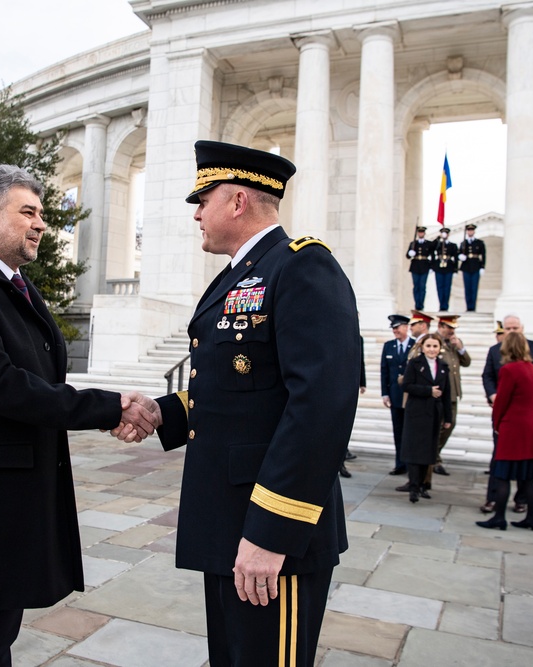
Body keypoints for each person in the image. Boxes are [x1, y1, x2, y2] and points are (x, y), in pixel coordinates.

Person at [121, 141, 360, 666]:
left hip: (272, 534)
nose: (196, 213)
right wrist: (164, 412)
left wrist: (272, 534)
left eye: (202, 200)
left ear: (237, 202)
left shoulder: (301, 267)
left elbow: (320, 408)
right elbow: (234, 389)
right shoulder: (239, 275)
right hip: (230, 524)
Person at [0, 165, 156, 667]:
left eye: (42, 214)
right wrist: (109, 406)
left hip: (13, 500)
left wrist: (104, 406)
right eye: (28, 212)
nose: (41, 224)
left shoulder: (15, 285)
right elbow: (1, 387)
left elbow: (44, 383)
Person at [480, 314, 533, 513]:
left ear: (522, 328)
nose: (511, 332)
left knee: (522, 462)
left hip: (520, 417)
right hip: (511, 416)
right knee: (500, 458)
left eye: (515, 328)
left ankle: (520, 500)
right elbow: (487, 375)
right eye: (508, 329)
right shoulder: (495, 351)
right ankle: (494, 498)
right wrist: (493, 395)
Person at [399, 333, 452, 503]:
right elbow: (406, 385)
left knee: (428, 451)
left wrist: (448, 417)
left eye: (435, 346)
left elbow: (447, 394)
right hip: (417, 413)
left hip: (434, 414)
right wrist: (428, 391)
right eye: (428, 346)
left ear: (439, 348)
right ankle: (413, 487)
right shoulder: (415, 364)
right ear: (422, 347)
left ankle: (423, 485)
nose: (431, 349)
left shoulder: (443, 366)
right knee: (415, 450)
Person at [425, 314, 470, 481]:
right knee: (437, 427)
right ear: (442, 327)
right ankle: (434, 459)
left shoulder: (454, 344)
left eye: (453, 329)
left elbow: (466, 362)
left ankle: (434, 455)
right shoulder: (434, 342)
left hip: (453, 393)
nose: (452, 332)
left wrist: (459, 348)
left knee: (449, 425)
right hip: (440, 394)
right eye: (450, 328)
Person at [380, 314, 412, 476]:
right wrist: (385, 394)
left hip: (411, 397)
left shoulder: (415, 345)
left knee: (410, 432)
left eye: (397, 327)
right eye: (393, 328)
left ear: (406, 327)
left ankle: (410, 464)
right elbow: (384, 371)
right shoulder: (388, 346)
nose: (395, 331)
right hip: (394, 396)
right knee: (398, 431)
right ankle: (400, 463)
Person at [342, 327, 366, 478]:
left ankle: (341, 463)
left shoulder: (357, 337)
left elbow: (359, 361)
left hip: (345, 385)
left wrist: (361, 382)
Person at [457, 223, 486, 312]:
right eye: (469, 230)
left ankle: (473, 307)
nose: (470, 231)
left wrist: (482, 267)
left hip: (476, 266)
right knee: (467, 288)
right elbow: (458, 253)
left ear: (474, 231)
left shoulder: (479, 243)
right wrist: (460, 256)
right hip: (466, 267)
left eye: (471, 230)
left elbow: (483, 255)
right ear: (467, 232)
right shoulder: (463, 243)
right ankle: (468, 306)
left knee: (474, 288)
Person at [406, 226, 435, 311]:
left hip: (425, 266)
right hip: (415, 266)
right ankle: (416, 303)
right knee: (416, 286)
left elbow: (432, 255)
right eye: (419, 232)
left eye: (422, 232)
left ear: (424, 233)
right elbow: (407, 256)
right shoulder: (413, 243)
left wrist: (432, 267)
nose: (420, 233)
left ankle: (421, 304)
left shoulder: (428, 244)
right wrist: (410, 253)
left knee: (422, 286)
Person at [431, 227, 459, 311]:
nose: (444, 235)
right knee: (440, 287)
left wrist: (455, 269)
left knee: (447, 287)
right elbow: (431, 248)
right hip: (439, 267)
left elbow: (456, 257)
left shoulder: (452, 245)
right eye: (443, 233)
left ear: (448, 234)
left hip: (449, 267)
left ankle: (445, 305)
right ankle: (441, 305)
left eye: (445, 233)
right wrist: (438, 239)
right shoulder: (438, 244)